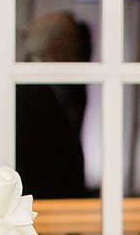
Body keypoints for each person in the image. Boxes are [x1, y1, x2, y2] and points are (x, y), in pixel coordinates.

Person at [16, 11, 90, 199]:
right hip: (41, 201)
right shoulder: (24, 88)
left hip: (65, 199)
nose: (76, 47)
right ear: (56, 44)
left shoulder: (71, 85)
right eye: (71, 39)